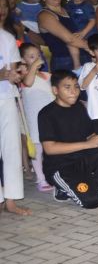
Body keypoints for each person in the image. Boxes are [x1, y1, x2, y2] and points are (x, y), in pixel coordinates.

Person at [39, 70, 98, 208]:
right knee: (92, 201)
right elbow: (50, 149)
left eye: (76, 86)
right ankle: (62, 189)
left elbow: (90, 135)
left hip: (81, 160)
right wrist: (88, 144)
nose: (73, 91)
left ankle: (95, 184)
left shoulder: (79, 107)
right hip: (61, 167)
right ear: (55, 90)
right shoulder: (46, 114)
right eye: (67, 87)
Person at [18, 43, 55, 192]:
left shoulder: (47, 76)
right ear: (22, 60)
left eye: (38, 55)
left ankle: (52, 175)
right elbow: (28, 82)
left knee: (51, 147)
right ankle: (40, 179)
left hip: (50, 118)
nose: (37, 59)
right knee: (37, 149)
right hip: (34, 119)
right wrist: (33, 67)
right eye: (32, 56)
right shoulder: (23, 76)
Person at [0, 27, 29, 215]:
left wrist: (18, 74)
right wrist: (3, 75)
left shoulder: (6, 37)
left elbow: (12, 72)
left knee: (12, 149)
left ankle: (11, 200)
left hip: (7, 97)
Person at [36, 0, 90, 70]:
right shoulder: (45, 15)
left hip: (85, 56)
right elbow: (70, 39)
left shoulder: (68, 10)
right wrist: (94, 48)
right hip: (65, 62)